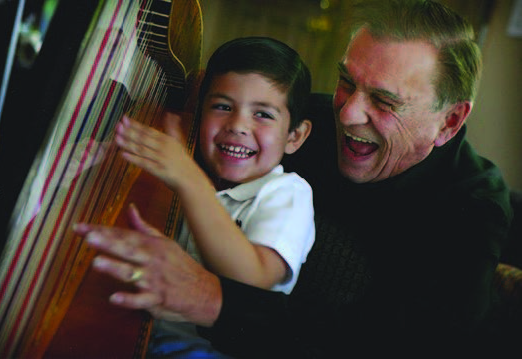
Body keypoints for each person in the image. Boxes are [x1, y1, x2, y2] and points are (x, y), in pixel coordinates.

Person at [75, 0, 514, 356]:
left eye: (384, 100)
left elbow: (393, 345)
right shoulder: (308, 123)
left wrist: (213, 300)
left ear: (450, 122)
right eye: (346, 81)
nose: (347, 113)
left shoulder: (473, 207)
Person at [114, 36, 314, 295]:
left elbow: (254, 278)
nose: (237, 125)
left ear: (294, 136)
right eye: (222, 106)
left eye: (262, 114)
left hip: (204, 337)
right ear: (200, 112)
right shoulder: (179, 167)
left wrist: (189, 181)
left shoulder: (288, 193)